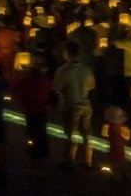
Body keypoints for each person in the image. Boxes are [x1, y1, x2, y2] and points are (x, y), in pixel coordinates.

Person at [52, 40, 96, 170]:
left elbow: (57, 88)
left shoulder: (63, 71)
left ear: (67, 53)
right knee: (87, 133)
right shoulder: (87, 70)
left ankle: (70, 161)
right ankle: (88, 161)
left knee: (72, 134)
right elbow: (92, 87)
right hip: (86, 104)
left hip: (71, 105)